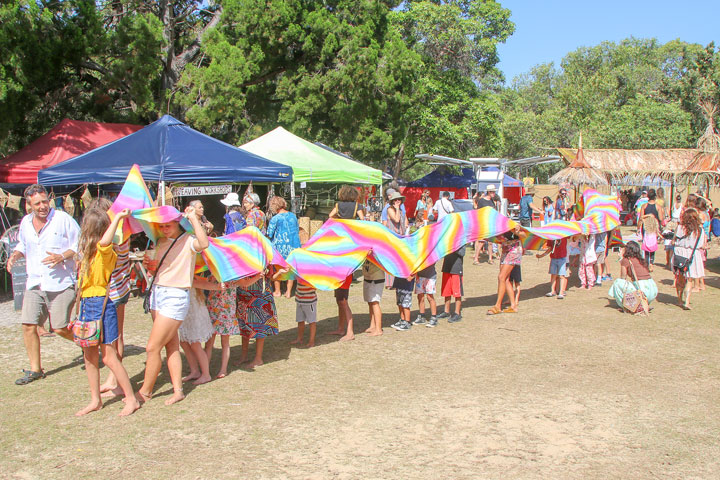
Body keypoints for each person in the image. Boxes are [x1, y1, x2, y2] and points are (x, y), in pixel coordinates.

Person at [136, 204, 209, 406]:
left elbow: (204, 244)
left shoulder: (188, 241)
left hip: (176, 295)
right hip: (157, 293)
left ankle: (145, 392)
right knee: (171, 345)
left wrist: (194, 218)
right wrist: (148, 264)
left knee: (152, 347)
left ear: (178, 224)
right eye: (162, 225)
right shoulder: (160, 241)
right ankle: (178, 390)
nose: (165, 228)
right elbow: (156, 267)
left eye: (169, 225)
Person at [8, 184, 80, 386]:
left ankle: (87, 343)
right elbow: (23, 244)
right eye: (37, 203)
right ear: (28, 205)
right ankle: (35, 369)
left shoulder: (62, 219)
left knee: (59, 327)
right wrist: (15, 254)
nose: (42, 206)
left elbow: (80, 243)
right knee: (28, 325)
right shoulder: (25, 223)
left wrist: (62, 256)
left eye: (44, 201)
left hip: (61, 282)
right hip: (35, 282)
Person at [73, 207, 139, 417]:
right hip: (86, 303)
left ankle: (131, 399)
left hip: (101, 304)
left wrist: (118, 218)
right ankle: (95, 400)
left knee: (109, 357)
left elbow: (105, 242)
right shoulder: (87, 253)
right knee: (89, 356)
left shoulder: (106, 249)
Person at [86, 198, 132, 398]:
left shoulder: (115, 235)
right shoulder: (120, 232)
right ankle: (113, 379)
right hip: (117, 289)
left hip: (112, 292)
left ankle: (116, 381)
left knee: (114, 338)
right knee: (113, 338)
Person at [178, 278, 217, 386]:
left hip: (193, 311)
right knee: (184, 342)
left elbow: (199, 282)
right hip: (186, 310)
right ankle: (195, 370)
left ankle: (206, 374)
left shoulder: (189, 274)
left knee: (195, 344)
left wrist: (216, 287)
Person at [236, 269, 279, 367]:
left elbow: (271, 275)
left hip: (260, 294)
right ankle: (244, 356)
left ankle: (258, 358)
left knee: (260, 325)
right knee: (244, 324)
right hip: (244, 293)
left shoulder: (264, 258)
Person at [607, 241, 658, 311]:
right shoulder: (641, 259)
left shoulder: (626, 260)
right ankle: (641, 304)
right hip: (652, 288)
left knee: (618, 282)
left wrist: (621, 260)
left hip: (643, 289)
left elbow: (623, 278)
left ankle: (626, 306)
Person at [266, 196, 301, 297]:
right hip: (294, 245)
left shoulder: (275, 218)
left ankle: (278, 291)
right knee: (291, 267)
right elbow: (297, 230)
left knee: (277, 268)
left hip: (280, 247)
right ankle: (289, 292)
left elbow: (269, 233)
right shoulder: (293, 216)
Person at [672, 209, 706, 310]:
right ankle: (686, 301)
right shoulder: (699, 230)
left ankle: (679, 299)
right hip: (692, 255)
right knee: (690, 279)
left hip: (679, 254)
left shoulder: (679, 228)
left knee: (680, 277)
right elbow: (701, 245)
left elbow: (674, 240)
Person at [487, 228, 526, 314]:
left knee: (501, 277)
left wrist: (517, 232)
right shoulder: (495, 227)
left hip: (514, 250)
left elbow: (524, 235)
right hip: (505, 250)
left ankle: (497, 306)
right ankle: (513, 306)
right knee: (506, 279)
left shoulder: (511, 224)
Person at [438, 245, 465, 322]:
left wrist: (452, 247)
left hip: (456, 268)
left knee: (457, 292)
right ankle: (446, 311)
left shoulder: (461, 239)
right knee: (446, 291)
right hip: (447, 267)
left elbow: (462, 253)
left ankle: (457, 313)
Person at [473, 186, 497, 265]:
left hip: (491, 223)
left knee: (490, 242)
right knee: (482, 242)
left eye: (494, 192)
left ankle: (490, 259)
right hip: (483, 223)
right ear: (489, 192)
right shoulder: (482, 201)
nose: (494, 193)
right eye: (492, 192)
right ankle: (476, 259)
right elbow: (478, 212)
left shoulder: (492, 201)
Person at [291, 278, 318, 347]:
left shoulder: (313, 275)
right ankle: (299, 338)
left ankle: (311, 341)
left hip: (309, 301)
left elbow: (317, 286)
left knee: (312, 321)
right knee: (300, 320)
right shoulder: (299, 272)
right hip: (299, 300)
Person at [362, 259, 385, 336]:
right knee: (370, 302)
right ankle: (372, 325)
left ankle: (378, 329)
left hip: (376, 277)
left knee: (375, 302)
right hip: (368, 276)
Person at [414, 263, 438, 328]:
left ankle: (434, 317)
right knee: (420, 297)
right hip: (420, 276)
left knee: (429, 297)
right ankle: (422, 316)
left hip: (430, 276)